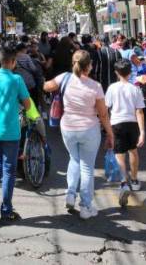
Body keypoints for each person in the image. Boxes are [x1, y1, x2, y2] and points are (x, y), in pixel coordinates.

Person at [43, 50, 114, 219]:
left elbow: (46, 86)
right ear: (89, 66)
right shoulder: (95, 87)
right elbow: (103, 114)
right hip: (89, 129)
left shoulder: (64, 78)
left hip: (68, 127)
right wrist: (110, 133)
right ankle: (85, 206)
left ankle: (70, 194)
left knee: (74, 159)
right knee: (87, 167)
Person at [0, 46, 31, 222]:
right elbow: (28, 105)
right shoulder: (16, 80)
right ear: (12, 62)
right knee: (9, 168)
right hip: (10, 130)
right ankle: (7, 209)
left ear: (0, 60)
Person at [106, 60, 146, 207]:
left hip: (116, 123)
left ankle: (124, 183)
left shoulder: (112, 88)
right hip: (132, 124)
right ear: (130, 72)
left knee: (119, 155)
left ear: (116, 73)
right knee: (133, 152)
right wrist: (142, 132)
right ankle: (134, 180)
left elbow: (106, 108)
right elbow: (139, 111)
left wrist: (106, 128)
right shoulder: (135, 89)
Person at [14, 42, 44, 106]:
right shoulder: (26, 56)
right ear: (22, 49)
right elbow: (33, 69)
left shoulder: (13, 57)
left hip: (18, 81)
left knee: (20, 99)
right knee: (31, 97)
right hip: (28, 81)